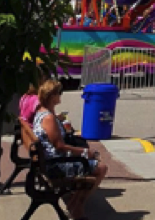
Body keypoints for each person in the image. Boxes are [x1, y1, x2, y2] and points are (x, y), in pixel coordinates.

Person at [32, 79, 107, 220]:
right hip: (55, 165)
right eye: (59, 93)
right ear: (52, 96)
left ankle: (75, 204)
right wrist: (85, 152)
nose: (61, 96)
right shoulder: (48, 118)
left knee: (91, 161)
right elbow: (59, 146)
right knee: (101, 168)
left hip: (48, 160)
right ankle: (77, 206)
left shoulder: (43, 112)